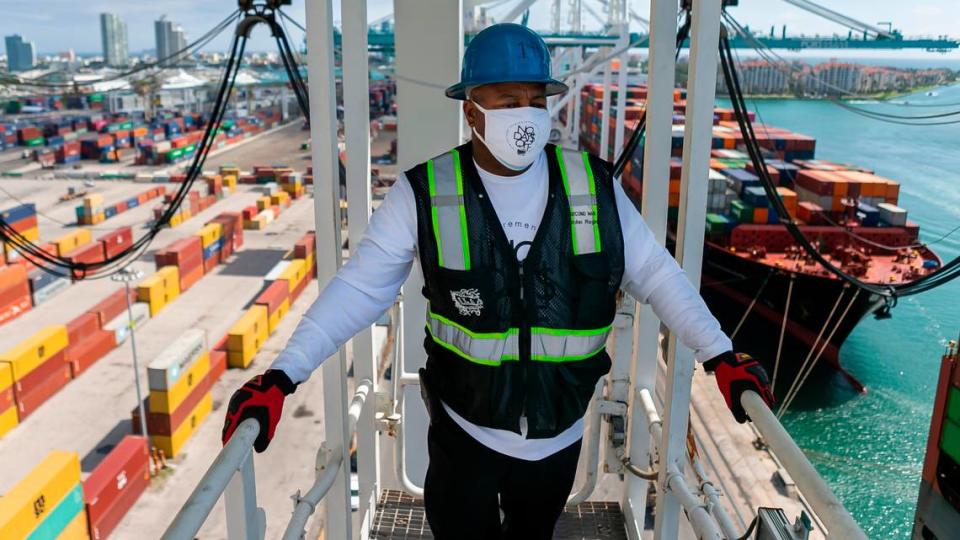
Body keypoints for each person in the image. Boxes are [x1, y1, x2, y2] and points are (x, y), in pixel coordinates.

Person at [222, 23, 774, 540]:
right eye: (509, 102)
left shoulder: (592, 186)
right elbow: (360, 290)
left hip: (560, 439)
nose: (527, 115)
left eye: (537, 101)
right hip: (465, 434)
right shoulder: (424, 192)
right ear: (472, 110)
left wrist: (719, 355)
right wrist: (282, 376)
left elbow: (657, 274)